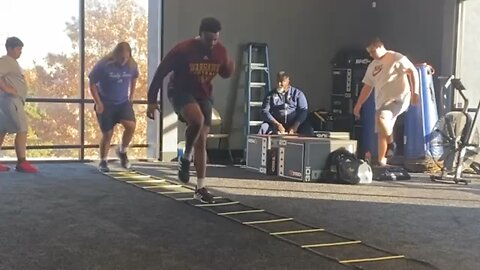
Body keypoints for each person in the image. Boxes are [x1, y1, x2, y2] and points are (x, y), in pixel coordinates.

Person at [147, 17, 234, 204]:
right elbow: (160, 72)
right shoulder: (183, 50)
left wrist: (229, 64)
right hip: (180, 92)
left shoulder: (219, 51)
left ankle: (200, 188)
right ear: (200, 34)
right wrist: (151, 101)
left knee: (202, 139)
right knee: (197, 120)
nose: (212, 43)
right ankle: (185, 157)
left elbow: (226, 73)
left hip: (204, 95)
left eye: (215, 40)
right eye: (209, 39)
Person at [353, 38, 419, 166]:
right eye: (369, 53)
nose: (371, 55)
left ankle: (392, 144)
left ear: (380, 46)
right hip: (382, 101)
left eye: (373, 51)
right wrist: (358, 104)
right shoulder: (372, 66)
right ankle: (382, 161)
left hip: (398, 98)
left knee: (381, 117)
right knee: (381, 131)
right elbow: (367, 87)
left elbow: (413, 71)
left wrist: (415, 92)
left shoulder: (396, 57)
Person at [89, 42, 139, 172]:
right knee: (108, 133)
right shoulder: (103, 65)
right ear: (115, 55)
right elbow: (92, 83)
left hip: (122, 102)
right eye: (121, 58)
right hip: (106, 103)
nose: (123, 61)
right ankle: (103, 161)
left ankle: (122, 151)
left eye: (126, 58)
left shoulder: (132, 65)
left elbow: (134, 78)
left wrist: (132, 95)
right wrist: (98, 102)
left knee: (131, 126)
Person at [0, 37, 38, 173]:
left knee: (2, 130)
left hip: (7, 101)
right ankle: (22, 162)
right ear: (9, 48)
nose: (20, 52)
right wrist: (7, 88)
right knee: (22, 129)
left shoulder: (12, 63)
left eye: (21, 49)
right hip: (11, 100)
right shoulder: (6, 61)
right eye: (17, 49)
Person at [259, 71, 314, 136]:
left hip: (294, 124)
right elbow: (265, 111)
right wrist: (277, 124)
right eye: (278, 82)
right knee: (264, 128)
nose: (279, 84)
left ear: (288, 81)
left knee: (308, 130)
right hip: (275, 124)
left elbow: (303, 111)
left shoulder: (298, 94)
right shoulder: (270, 95)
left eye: (282, 82)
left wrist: (295, 126)